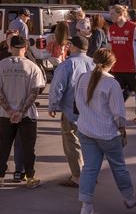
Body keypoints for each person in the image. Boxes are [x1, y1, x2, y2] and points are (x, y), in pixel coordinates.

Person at [74, 49, 136, 213]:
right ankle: (129, 198)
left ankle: (86, 206)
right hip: (107, 133)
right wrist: (122, 130)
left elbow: (78, 104)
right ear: (112, 63)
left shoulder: (82, 78)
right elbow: (118, 114)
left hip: (85, 130)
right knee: (119, 167)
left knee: (89, 168)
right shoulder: (111, 83)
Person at [0, 35, 46, 189]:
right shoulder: (32, 67)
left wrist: (9, 110)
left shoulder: (1, 66)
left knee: (3, 145)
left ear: (10, 48)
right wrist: (20, 111)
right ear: (25, 48)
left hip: (5, 114)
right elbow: (34, 92)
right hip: (27, 114)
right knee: (28, 147)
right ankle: (30, 177)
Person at [48, 34, 93, 188]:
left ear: (74, 47)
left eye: (69, 44)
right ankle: (90, 173)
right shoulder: (94, 64)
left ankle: (77, 176)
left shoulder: (68, 65)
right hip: (91, 111)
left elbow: (57, 87)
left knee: (72, 142)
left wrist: (53, 105)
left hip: (71, 110)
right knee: (89, 142)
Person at [107, 5, 136, 105]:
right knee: (118, 96)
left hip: (134, 68)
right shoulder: (111, 28)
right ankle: (117, 113)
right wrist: (107, 65)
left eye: (113, 14)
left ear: (121, 14)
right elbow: (109, 48)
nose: (110, 16)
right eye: (110, 14)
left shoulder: (135, 28)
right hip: (117, 68)